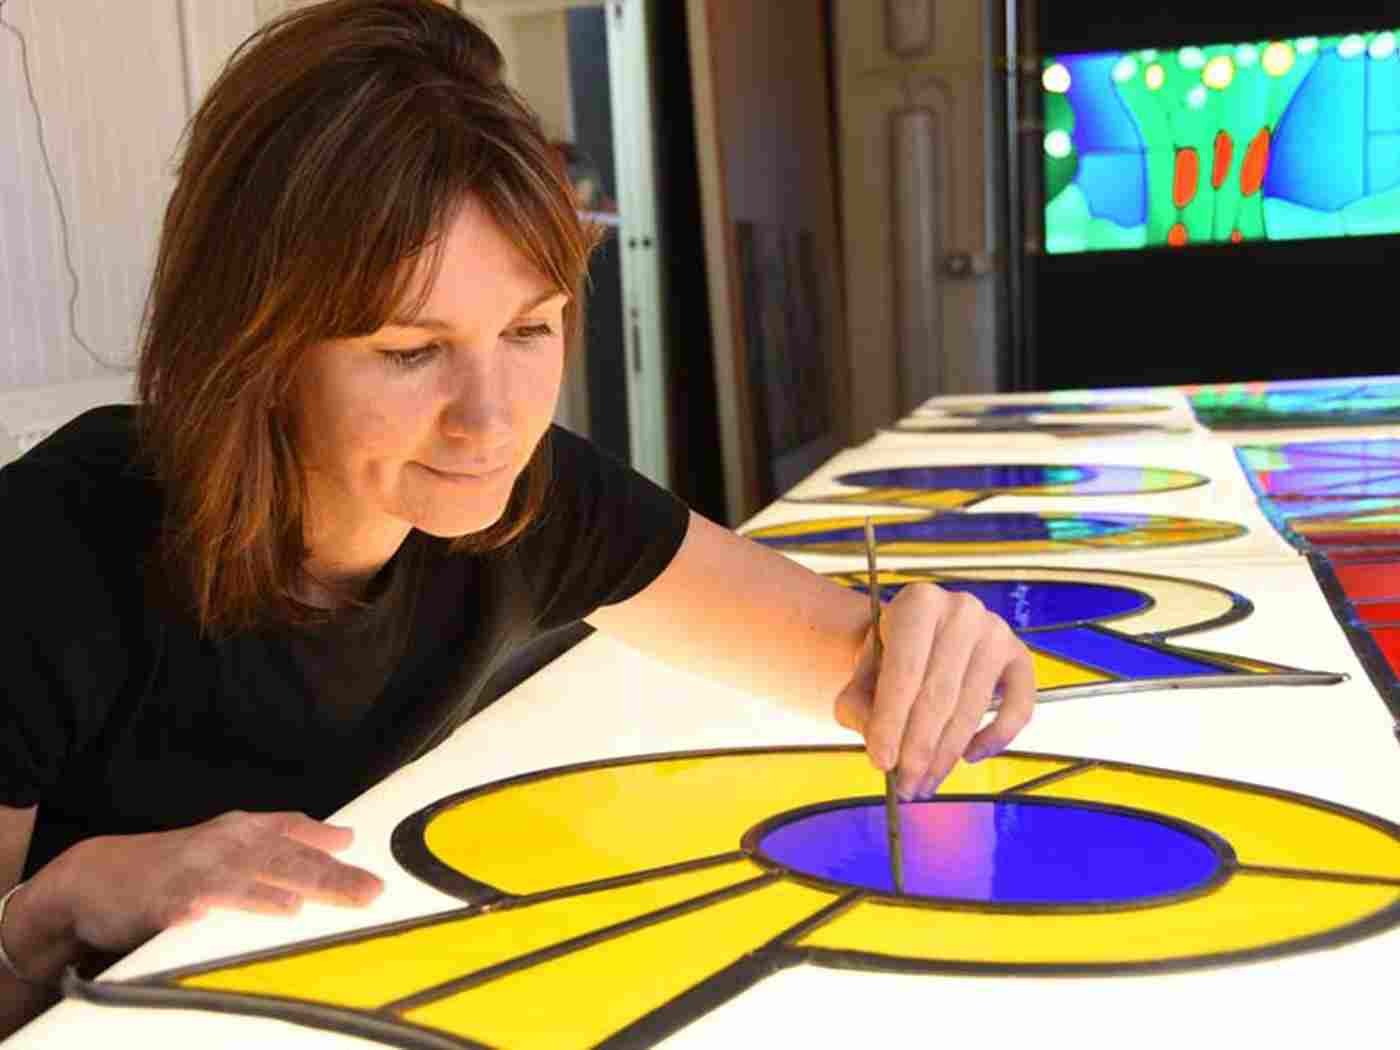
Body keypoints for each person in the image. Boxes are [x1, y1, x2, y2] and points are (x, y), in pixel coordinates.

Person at [0, 0, 1035, 1035]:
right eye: (410, 351)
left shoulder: (532, 498)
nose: (491, 420)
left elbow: (853, 666)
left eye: (529, 327)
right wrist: (52, 908)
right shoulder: (56, 542)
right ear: (255, 350)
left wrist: (929, 643)